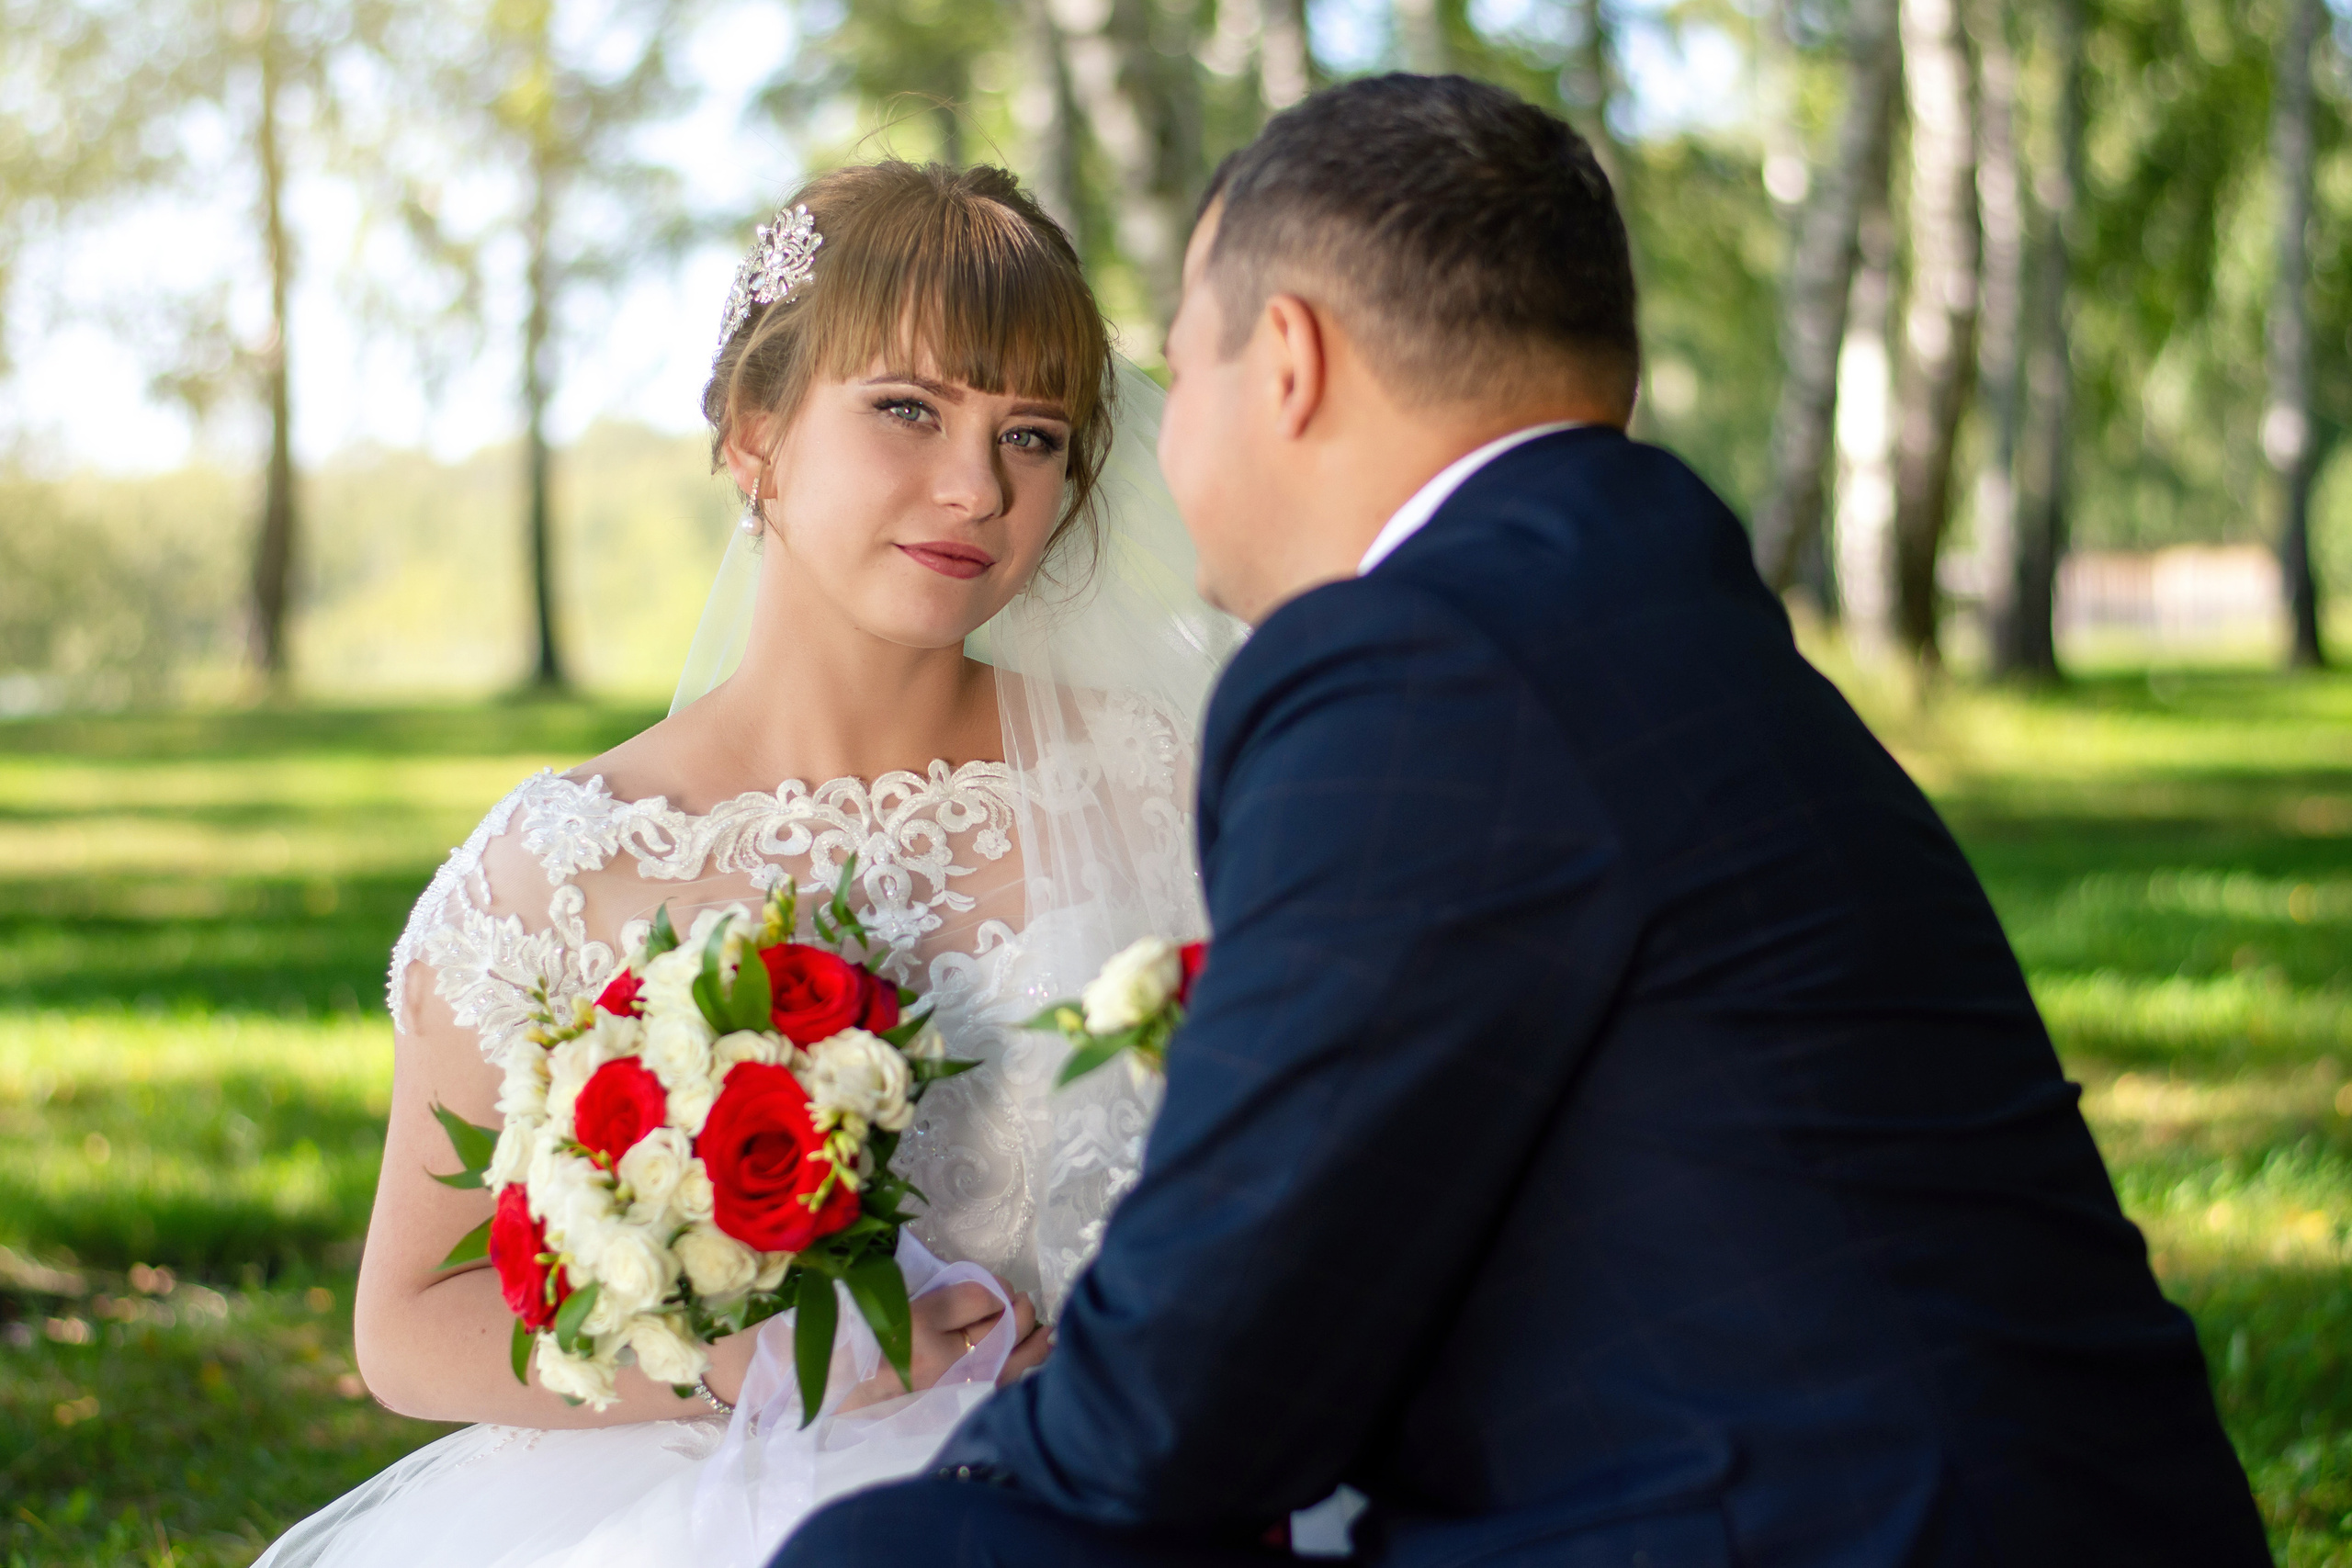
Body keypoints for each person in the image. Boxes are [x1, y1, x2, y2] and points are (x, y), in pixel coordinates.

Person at [775, 75, 2274, 1567]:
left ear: (1285, 362)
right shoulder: (1638, 595)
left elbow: (1210, 1371)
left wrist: (946, 1493)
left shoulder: (1419, 661)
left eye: (1181, 372)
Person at [254, 160, 1240, 1568]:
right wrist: (751, 1369)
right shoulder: (564, 864)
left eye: (1033, 435)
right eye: (909, 408)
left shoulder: (1157, 776)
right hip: (709, 1502)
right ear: (754, 433)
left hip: (1113, 1473)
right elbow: (411, 1321)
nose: (975, 486)